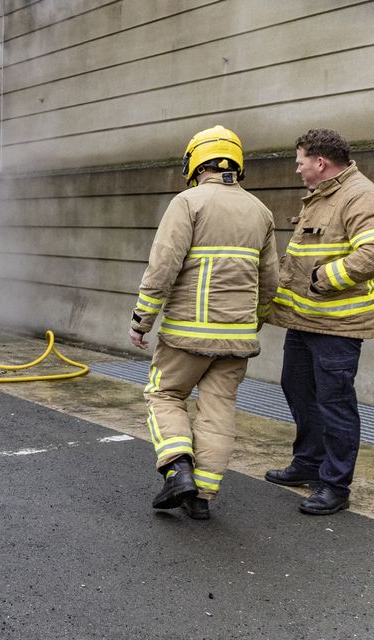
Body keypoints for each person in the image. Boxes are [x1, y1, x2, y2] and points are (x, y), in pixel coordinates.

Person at [129, 125, 278, 520]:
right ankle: (202, 497)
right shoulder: (261, 211)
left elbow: (163, 266)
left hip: (186, 335)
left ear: (195, 162)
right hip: (238, 338)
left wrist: (142, 319)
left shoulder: (187, 202)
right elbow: (270, 281)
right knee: (218, 409)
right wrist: (254, 321)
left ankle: (178, 469)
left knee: (165, 395)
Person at [265, 128, 374, 515]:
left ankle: (335, 485)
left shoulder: (360, 195)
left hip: (336, 327)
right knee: (296, 388)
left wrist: (322, 280)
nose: (297, 170)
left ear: (320, 162)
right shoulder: (322, 197)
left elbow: (371, 252)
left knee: (335, 403)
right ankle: (308, 464)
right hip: (304, 320)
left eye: (300, 162)